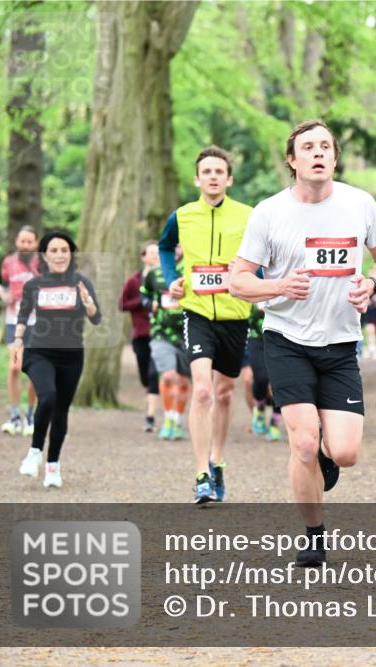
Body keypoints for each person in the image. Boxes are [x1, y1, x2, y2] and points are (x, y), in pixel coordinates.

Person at [230, 119, 376, 566]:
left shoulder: (360, 204)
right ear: (292, 159)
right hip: (286, 340)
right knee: (302, 443)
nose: (318, 152)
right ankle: (314, 535)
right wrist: (280, 286)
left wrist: (372, 284)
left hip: (341, 344)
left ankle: (325, 457)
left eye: (325, 146)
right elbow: (238, 280)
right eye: (308, 147)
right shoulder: (269, 213)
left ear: (335, 157)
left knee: (345, 452)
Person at [159, 146, 253, 503]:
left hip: (235, 314)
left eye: (219, 171)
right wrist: (171, 278)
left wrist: (250, 276)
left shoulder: (248, 216)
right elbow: (165, 247)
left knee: (225, 392)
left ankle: (217, 461)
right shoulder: (181, 216)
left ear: (229, 179)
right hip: (197, 312)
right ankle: (201, 475)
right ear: (197, 179)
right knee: (202, 391)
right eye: (207, 172)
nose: (213, 176)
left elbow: (264, 255)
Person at [13, 231, 102, 488]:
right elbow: (23, 315)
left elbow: (96, 318)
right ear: (44, 255)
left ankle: (53, 466)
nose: (60, 255)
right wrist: (17, 341)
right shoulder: (34, 285)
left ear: (71, 254)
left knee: (61, 410)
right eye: (54, 250)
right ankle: (34, 452)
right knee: (48, 396)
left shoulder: (81, 282)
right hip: (39, 351)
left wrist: (88, 302)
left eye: (65, 250)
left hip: (71, 355)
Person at [141, 244, 192, 441]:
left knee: (184, 381)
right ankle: (169, 418)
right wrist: (149, 304)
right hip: (161, 333)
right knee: (169, 376)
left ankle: (178, 418)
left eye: (180, 245)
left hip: (188, 333)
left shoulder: (192, 269)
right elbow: (144, 293)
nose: (176, 249)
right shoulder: (155, 272)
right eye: (174, 245)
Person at [0, 226, 39, 436]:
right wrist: (5, 296)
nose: (25, 245)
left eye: (29, 241)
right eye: (22, 241)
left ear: (36, 243)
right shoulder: (8, 262)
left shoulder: (42, 263)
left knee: (33, 370)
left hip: (38, 322)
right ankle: (14, 417)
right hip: (14, 321)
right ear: (17, 241)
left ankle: (30, 416)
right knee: (15, 367)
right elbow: (1, 285)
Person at [120, 240, 160, 432]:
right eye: (151, 253)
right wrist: (144, 301)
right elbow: (122, 304)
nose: (155, 256)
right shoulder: (134, 281)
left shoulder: (166, 278)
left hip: (160, 334)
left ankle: (150, 416)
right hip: (141, 334)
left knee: (154, 374)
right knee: (145, 376)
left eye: (158, 253)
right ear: (143, 257)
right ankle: (150, 394)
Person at [246, 303, 283, 441]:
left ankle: (274, 423)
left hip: (282, 339)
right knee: (261, 378)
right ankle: (260, 409)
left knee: (279, 382)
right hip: (256, 338)